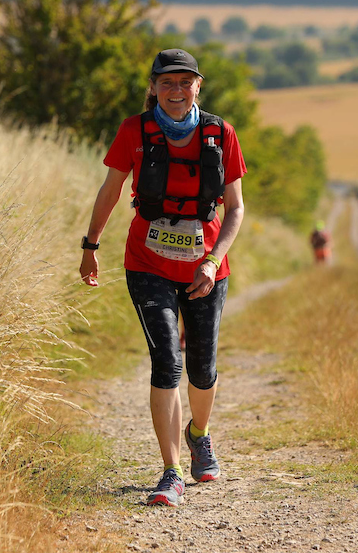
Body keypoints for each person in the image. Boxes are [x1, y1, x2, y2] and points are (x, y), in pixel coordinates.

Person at [79, 48, 247, 507]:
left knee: (202, 367)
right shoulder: (134, 130)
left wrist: (213, 260)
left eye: (184, 82)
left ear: (198, 85)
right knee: (167, 360)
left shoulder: (220, 133)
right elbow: (111, 190)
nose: (176, 90)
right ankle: (171, 471)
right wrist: (91, 245)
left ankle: (200, 434)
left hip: (206, 266)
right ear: (153, 87)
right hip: (147, 261)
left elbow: (236, 208)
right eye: (166, 82)